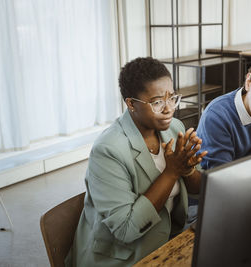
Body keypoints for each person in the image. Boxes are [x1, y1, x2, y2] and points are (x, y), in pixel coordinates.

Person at [65, 57, 207, 266]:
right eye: (157, 102)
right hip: (123, 256)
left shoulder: (174, 127)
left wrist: (187, 170)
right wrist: (171, 172)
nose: (168, 109)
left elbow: (198, 191)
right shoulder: (108, 150)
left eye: (172, 98)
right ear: (131, 103)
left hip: (168, 239)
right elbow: (126, 229)